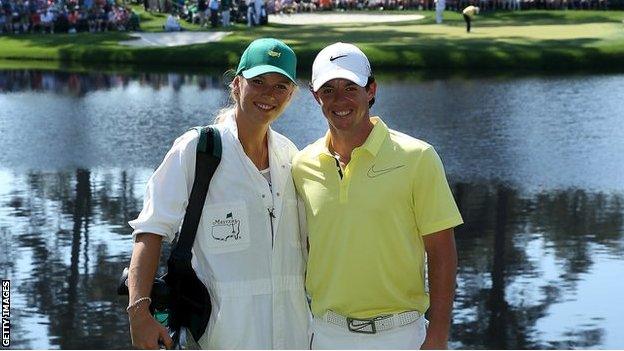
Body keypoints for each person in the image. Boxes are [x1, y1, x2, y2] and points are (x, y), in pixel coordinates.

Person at [126, 38, 309, 349]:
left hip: (294, 337)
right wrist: (138, 314)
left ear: (290, 95)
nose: (269, 93)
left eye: (281, 86)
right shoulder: (198, 149)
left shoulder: (291, 155)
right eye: (258, 81)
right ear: (237, 85)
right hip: (220, 338)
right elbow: (151, 229)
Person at [292, 42, 463, 349]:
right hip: (325, 334)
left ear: (371, 90)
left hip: (401, 335)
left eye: (350, 87)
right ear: (315, 96)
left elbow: (442, 253)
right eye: (328, 90)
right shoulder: (302, 165)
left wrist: (437, 335)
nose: (340, 99)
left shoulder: (417, 157)